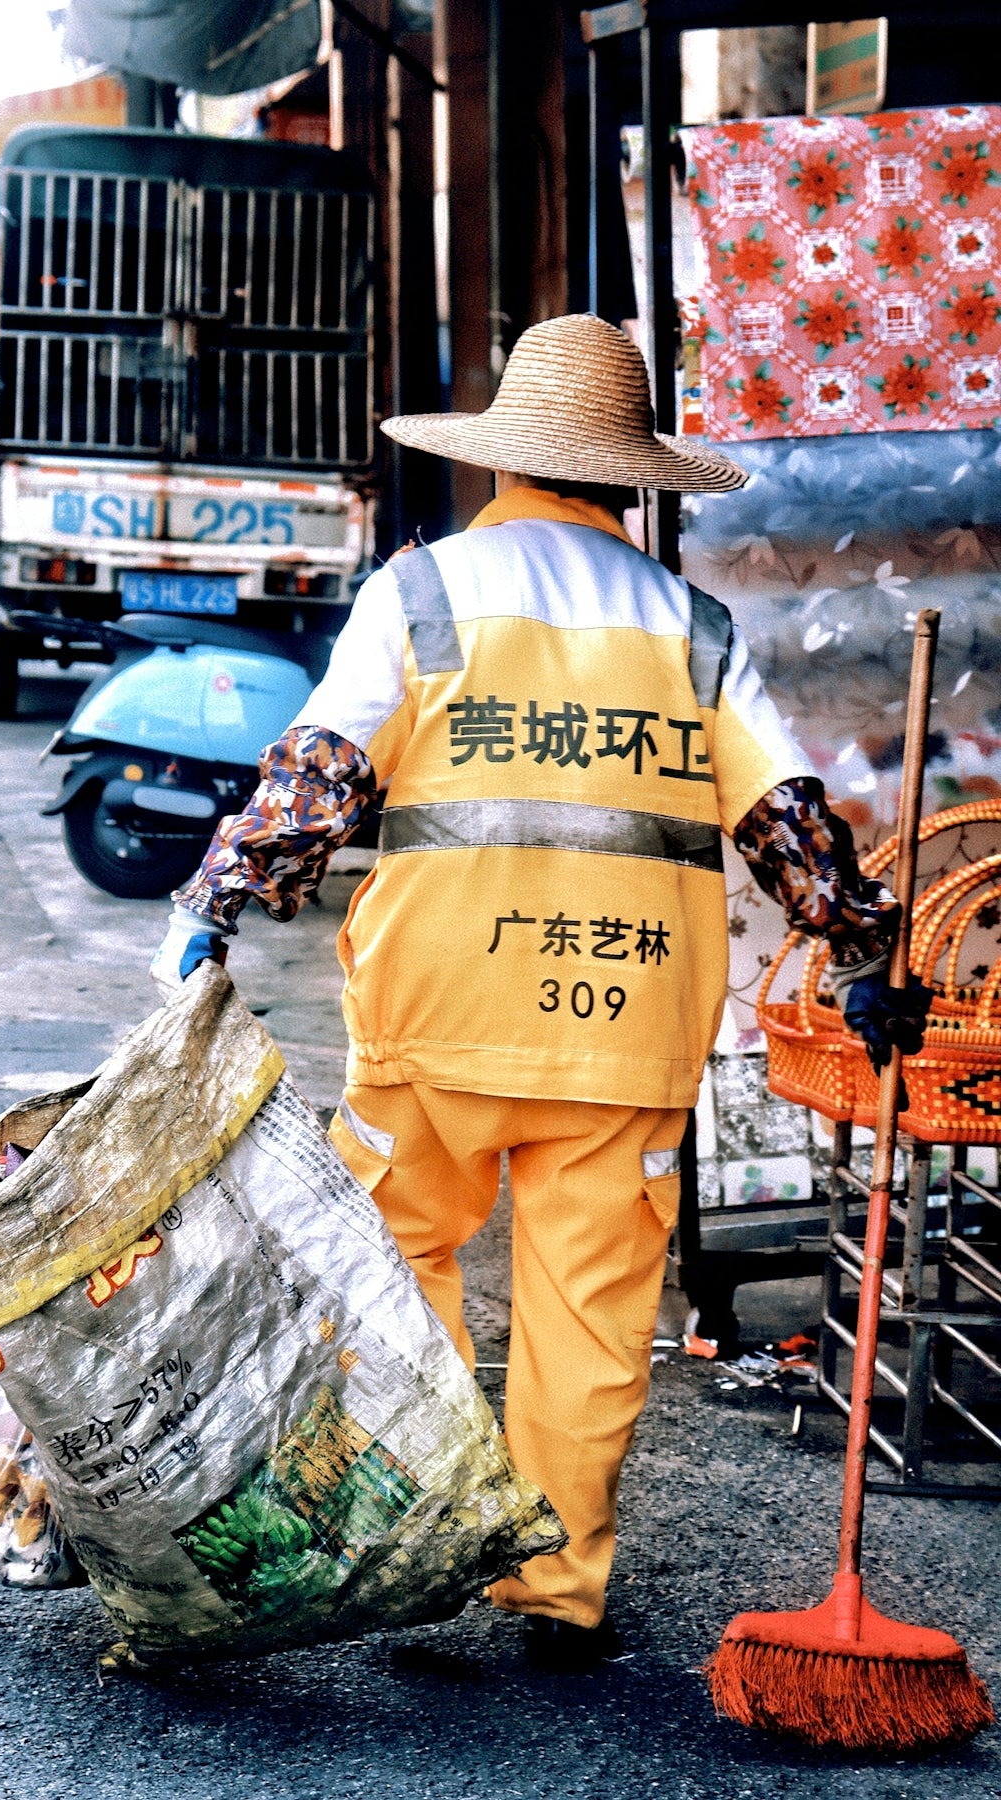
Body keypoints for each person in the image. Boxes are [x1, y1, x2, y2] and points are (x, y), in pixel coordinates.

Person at [150, 314, 929, 1671]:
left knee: (394, 1273)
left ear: (501, 459)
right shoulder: (690, 624)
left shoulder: (423, 591)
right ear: (629, 477)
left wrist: (211, 905)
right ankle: (558, 1589)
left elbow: (321, 771)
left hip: (439, 1012)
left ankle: (435, 1542)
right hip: (628, 1023)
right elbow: (788, 818)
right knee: (592, 1314)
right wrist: (868, 954)